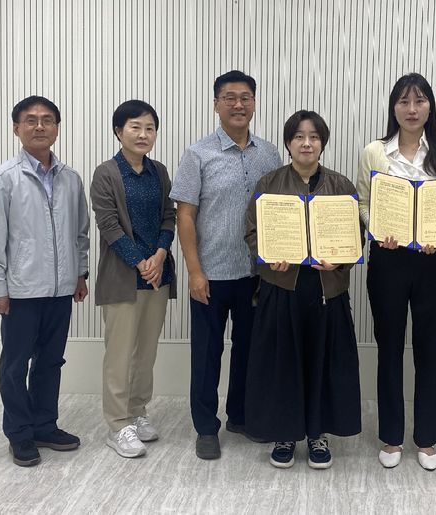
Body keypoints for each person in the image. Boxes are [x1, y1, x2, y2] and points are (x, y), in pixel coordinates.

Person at [170, 70, 283, 460]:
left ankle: (240, 415)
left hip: (256, 274)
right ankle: (206, 427)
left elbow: (279, 212)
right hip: (212, 274)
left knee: (250, 351)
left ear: (254, 103)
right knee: (206, 354)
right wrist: (194, 271)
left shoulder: (270, 153)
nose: (238, 104)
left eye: (246, 97)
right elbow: (185, 216)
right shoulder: (197, 153)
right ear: (216, 103)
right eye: (230, 97)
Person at [244, 110, 362, 469]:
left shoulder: (341, 186)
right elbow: (252, 233)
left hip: (327, 290)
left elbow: (355, 239)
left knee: (322, 363)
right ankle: (285, 432)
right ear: (288, 143)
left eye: (313, 136)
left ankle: (317, 433)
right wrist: (269, 258)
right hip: (283, 287)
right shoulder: (269, 183)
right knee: (283, 364)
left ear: (322, 142)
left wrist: (339, 260)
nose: (306, 143)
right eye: (299, 136)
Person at [356, 73, 436, 470]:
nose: (412, 109)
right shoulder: (374, 152)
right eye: (403, 102)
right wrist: (376, 227)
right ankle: (391, 436)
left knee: (428, 349)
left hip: (434, 261)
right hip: (389, 259)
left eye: (419, 101)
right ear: (393, 108)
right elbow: (363, 202)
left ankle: (426, 438)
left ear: (430, 107)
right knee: (389, 348)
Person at [0, 96, 89, 467]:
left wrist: (79, 273)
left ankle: (45, 424)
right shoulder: (3, 178)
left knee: (50, 362)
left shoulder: (71, 179)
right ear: (16, 128)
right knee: (15, 364)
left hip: (60, 290)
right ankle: (20, 433)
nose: (39, 126)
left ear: (57, 128)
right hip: (21, 291)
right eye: (30, 120)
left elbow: (80, 234)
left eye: (47, 120)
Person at [91, 100, 177, 458]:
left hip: (157, 276)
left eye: (150, 128)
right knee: (120, 354)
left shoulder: (159, 171)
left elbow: (169, 217)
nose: (143, 134)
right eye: (135, 127)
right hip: (123, 277)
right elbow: (108, 224)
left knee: (146, 352)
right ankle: (117, 424)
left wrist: (159, 255)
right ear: (118, 131)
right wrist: (141, 262)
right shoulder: (106, 173)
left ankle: (138, 411)